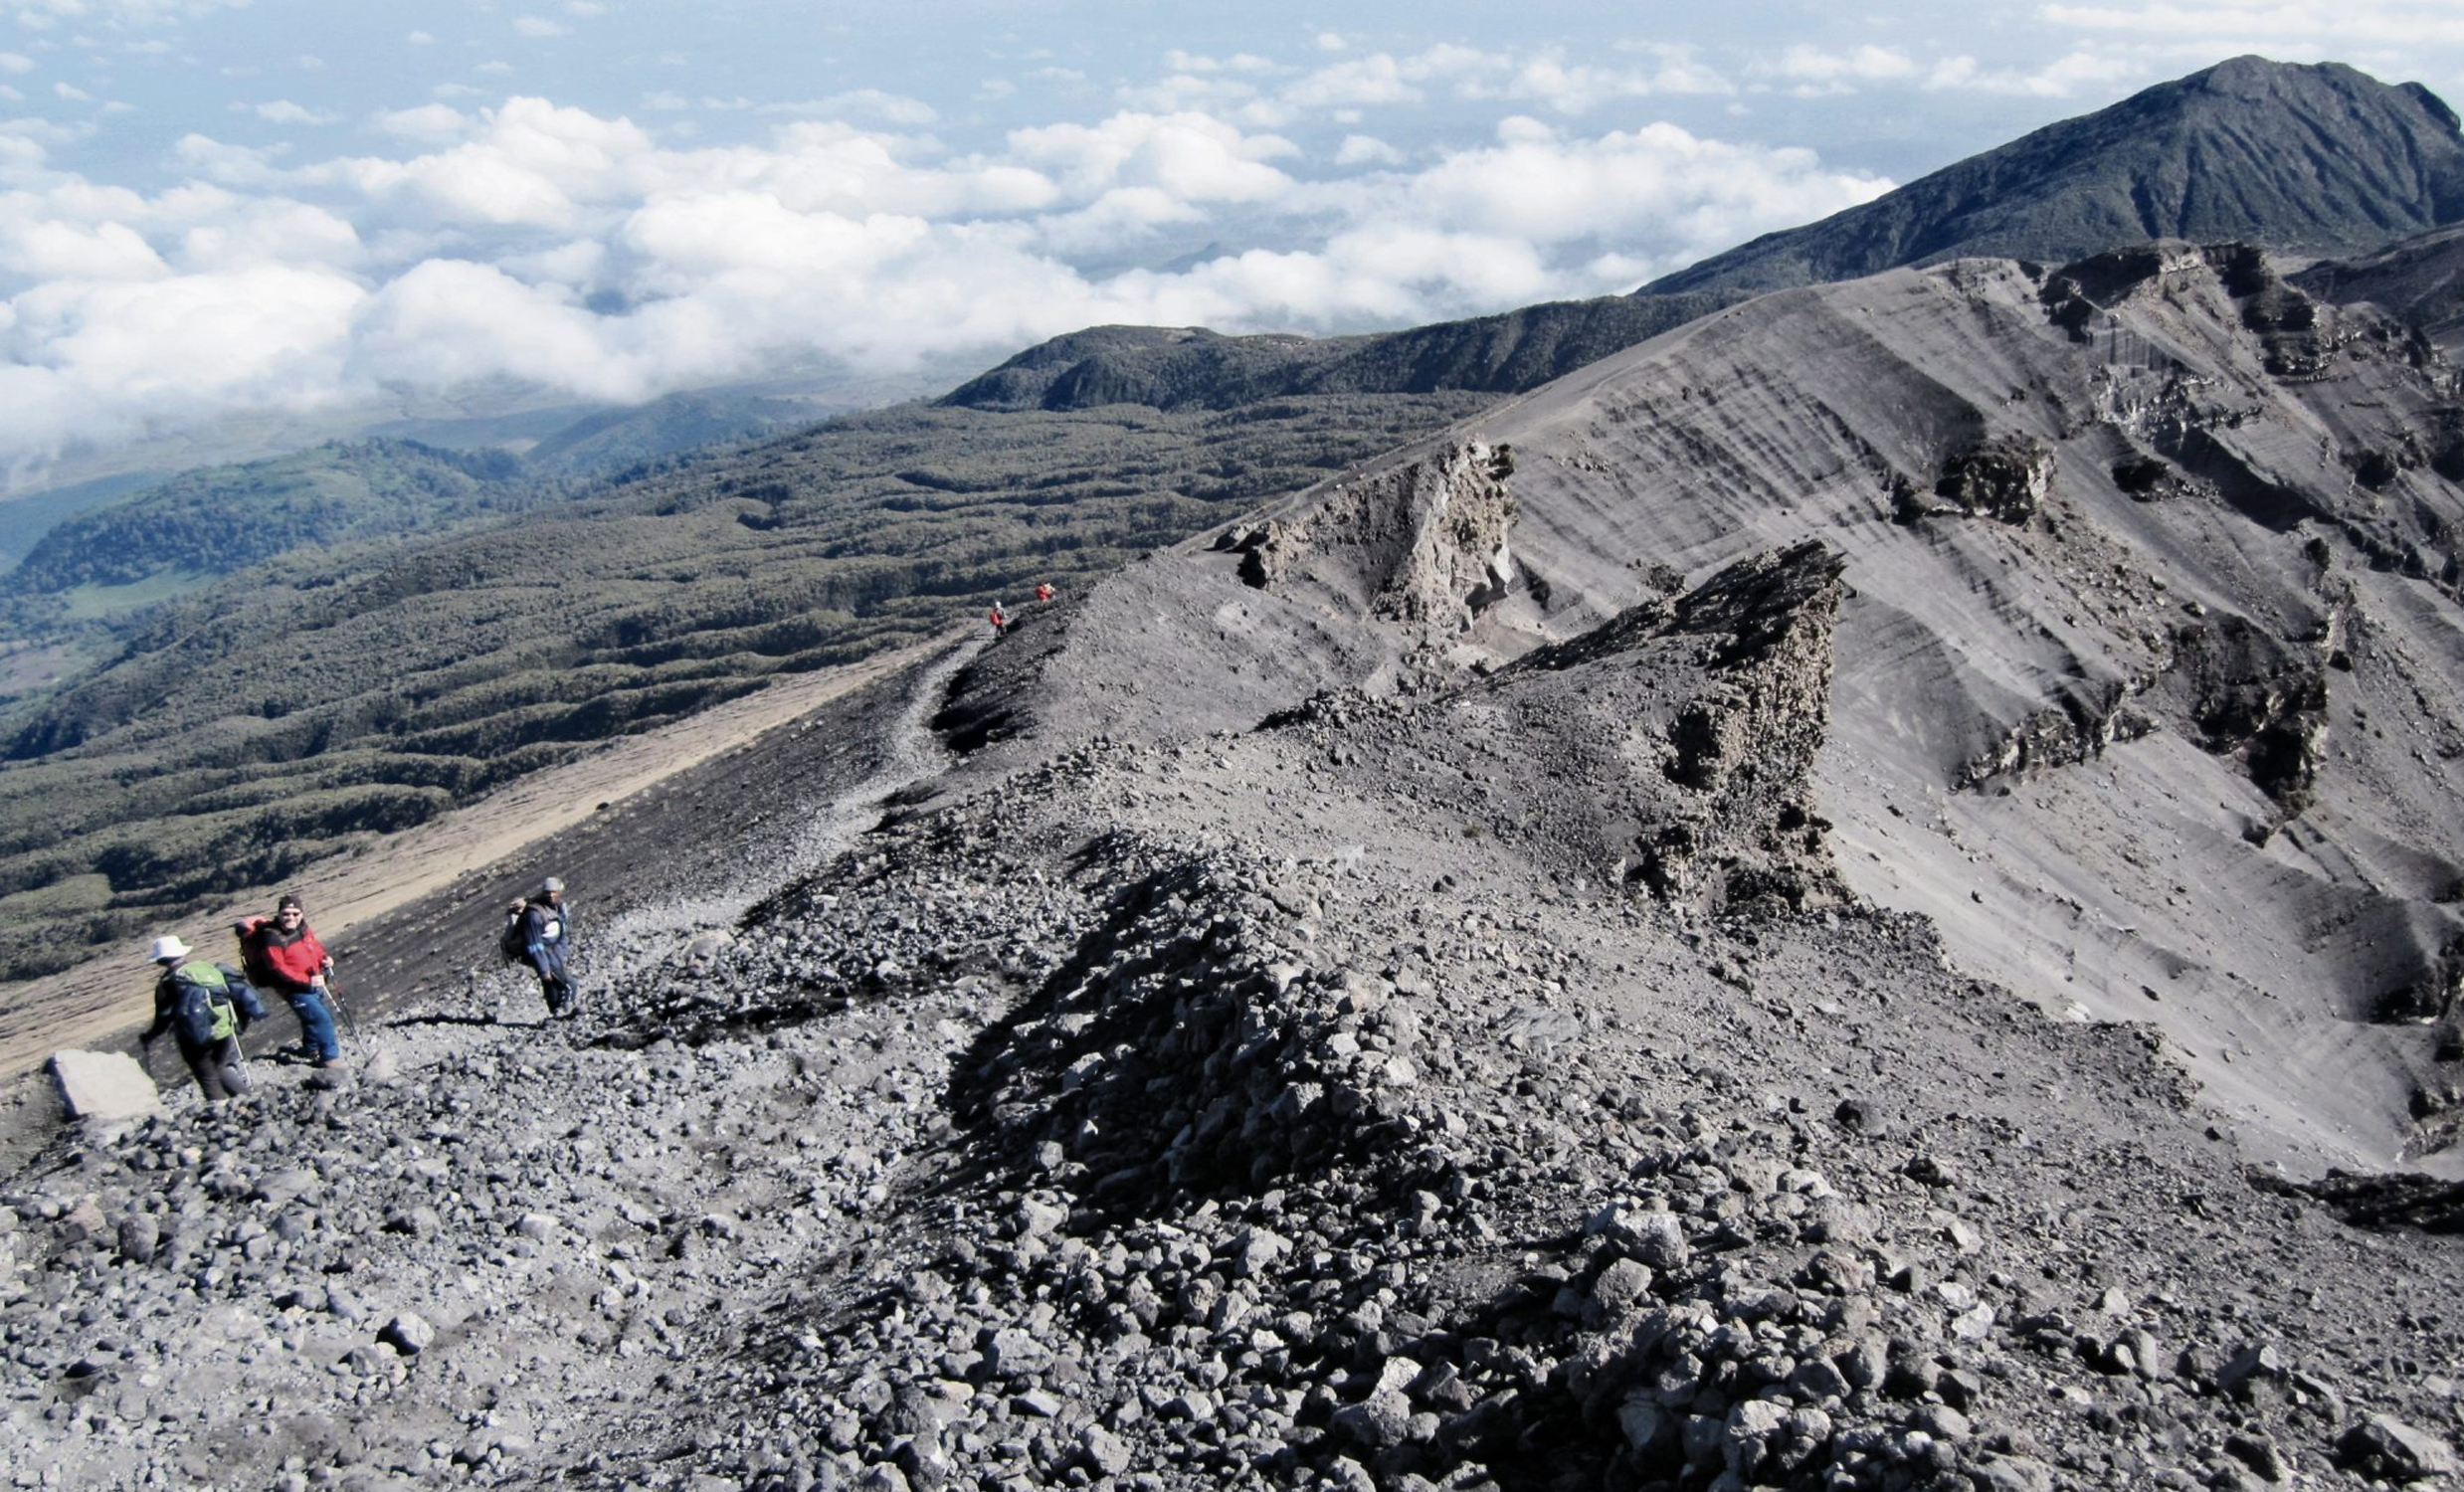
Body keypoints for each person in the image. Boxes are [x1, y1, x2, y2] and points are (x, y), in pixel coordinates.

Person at [138, 935, 256, 1102]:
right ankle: (249, 1100)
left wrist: (149, 1037)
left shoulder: (167, 983)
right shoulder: (204, 969)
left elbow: (163, 1019)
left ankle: (221, 1110)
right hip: (222, 1030)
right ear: (182, 953)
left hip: (193, 1038)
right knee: (219, 1066)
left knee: (207, 1075)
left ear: (161, 961)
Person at [236, 893, 342, 1067]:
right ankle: (330, 1058)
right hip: (293, 988)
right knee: (321, 1018)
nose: (290, 918)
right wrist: (307, 982)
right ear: (278, 914)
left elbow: (313, 946)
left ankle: (310, 1048)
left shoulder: (303, 929)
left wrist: (324, 958)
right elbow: (278, 969)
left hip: (314, 979)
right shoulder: (271, 937)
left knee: (316, 1016)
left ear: (302, 914)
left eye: (295, 914)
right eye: (286, 914)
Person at [506, 876, 579, 1019]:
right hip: (542, 953)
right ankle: (563, 1012)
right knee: (569, 984)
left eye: (554, 892)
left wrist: (562, 953)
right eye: (547, 893)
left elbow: (563, 932)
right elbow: (534, 944)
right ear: (543, 893)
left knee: (554, 983)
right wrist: (543, 969)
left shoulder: (559, 907)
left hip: (553, 951)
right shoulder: (533, 915)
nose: (551, 895)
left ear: (559, 892)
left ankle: (557, 1013)